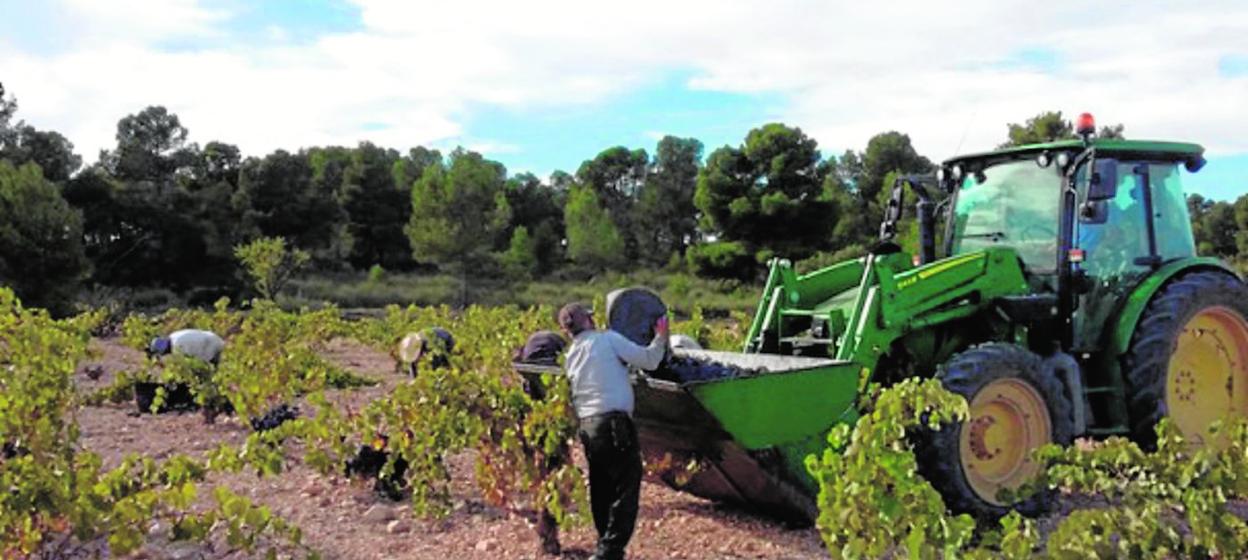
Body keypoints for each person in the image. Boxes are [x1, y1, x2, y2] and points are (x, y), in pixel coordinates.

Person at [558, 303, 668, 560]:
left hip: (588, 427)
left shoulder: (572, 353)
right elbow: (650, 361)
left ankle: (603, 544)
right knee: (625, 487)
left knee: (600, 486)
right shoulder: (607, 339)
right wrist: (660, 336)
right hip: (614, 424)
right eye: (590, 317)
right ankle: (610, 551)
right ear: (587, 320)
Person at [511, 330, 570, 555]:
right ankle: (548, 536)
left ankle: (546, 533)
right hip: (546, 429)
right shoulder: (555, 385)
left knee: (543, 477)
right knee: (553, 476)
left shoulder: (528, 380)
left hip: (535, 428)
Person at [148, 328, 225, 365]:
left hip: (210, 345)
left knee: (208, 371)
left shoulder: (176, 348)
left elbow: (189, 363)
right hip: (213, 337)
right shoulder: (173, 335)